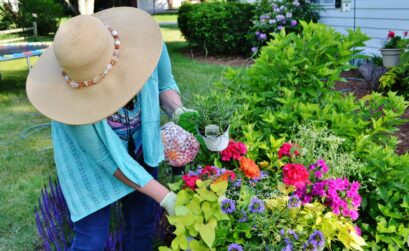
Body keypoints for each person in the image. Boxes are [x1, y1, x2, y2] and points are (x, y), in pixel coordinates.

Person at [26, 7, 191, 250]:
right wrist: (165, 197)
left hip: (139, 144)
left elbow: (164, 85)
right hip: (89, 162)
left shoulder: (148, 44)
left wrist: (180, 113)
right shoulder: (67, 109)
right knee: (91, 239)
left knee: (143, 225)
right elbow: (108, 159)